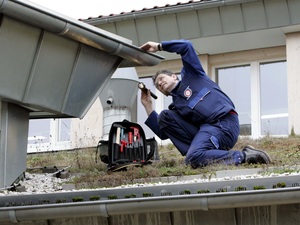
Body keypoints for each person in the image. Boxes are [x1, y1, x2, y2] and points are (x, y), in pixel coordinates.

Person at [140, 39, 271, 168]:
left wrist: (158, 46)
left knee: (193, 158)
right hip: (208, 130)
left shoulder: (192, 75)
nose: (160, 84)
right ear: (163, 93)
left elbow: (186, 46)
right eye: (158, 86)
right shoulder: (176, 108)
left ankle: (245, 156)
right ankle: (199, 152)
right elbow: (164, 132)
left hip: (225, 123)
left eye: (161, 79)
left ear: (174, 76)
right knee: (165, 116)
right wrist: (148, 106)